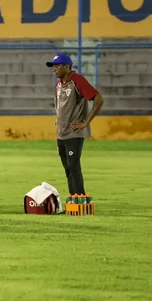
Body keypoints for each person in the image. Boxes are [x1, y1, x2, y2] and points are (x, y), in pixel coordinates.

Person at [46, 53, 104, 198]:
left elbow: (98, 99)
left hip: (73, 132)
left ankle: (80, 199)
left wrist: (85, 122)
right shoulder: (59, 84)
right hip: (61, 133)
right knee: (67, 169)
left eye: (58, 66)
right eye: (53, 66)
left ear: (67, 66)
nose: (54, 69)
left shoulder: (77, 81)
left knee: (73, 167)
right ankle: (73, 199)